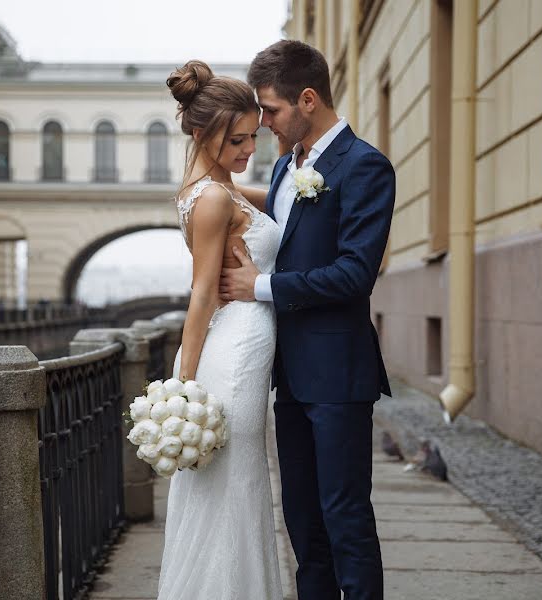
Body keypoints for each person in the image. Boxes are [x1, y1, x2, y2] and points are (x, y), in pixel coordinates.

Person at [220, 40, 395, 600]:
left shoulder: (365, 166)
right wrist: (210, 188)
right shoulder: (285, 166)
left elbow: (353, 275)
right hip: (288, 375)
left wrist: (260, 287)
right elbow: (283, 219)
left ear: (309, 99)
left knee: (344, 514)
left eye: (271, 110)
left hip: (339, 374)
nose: (263, 121)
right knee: (300, 517)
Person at [157, 60, 283, 600]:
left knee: (238, 483)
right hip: (236, 352)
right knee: (237, 484)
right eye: (236, 140)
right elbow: (203, 291)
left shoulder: (218, 188)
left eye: (254, 136)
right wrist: (182, 386)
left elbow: (280, 200)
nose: (249, 150)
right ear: (201, 133)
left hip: (244, 344)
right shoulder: (212, 199)